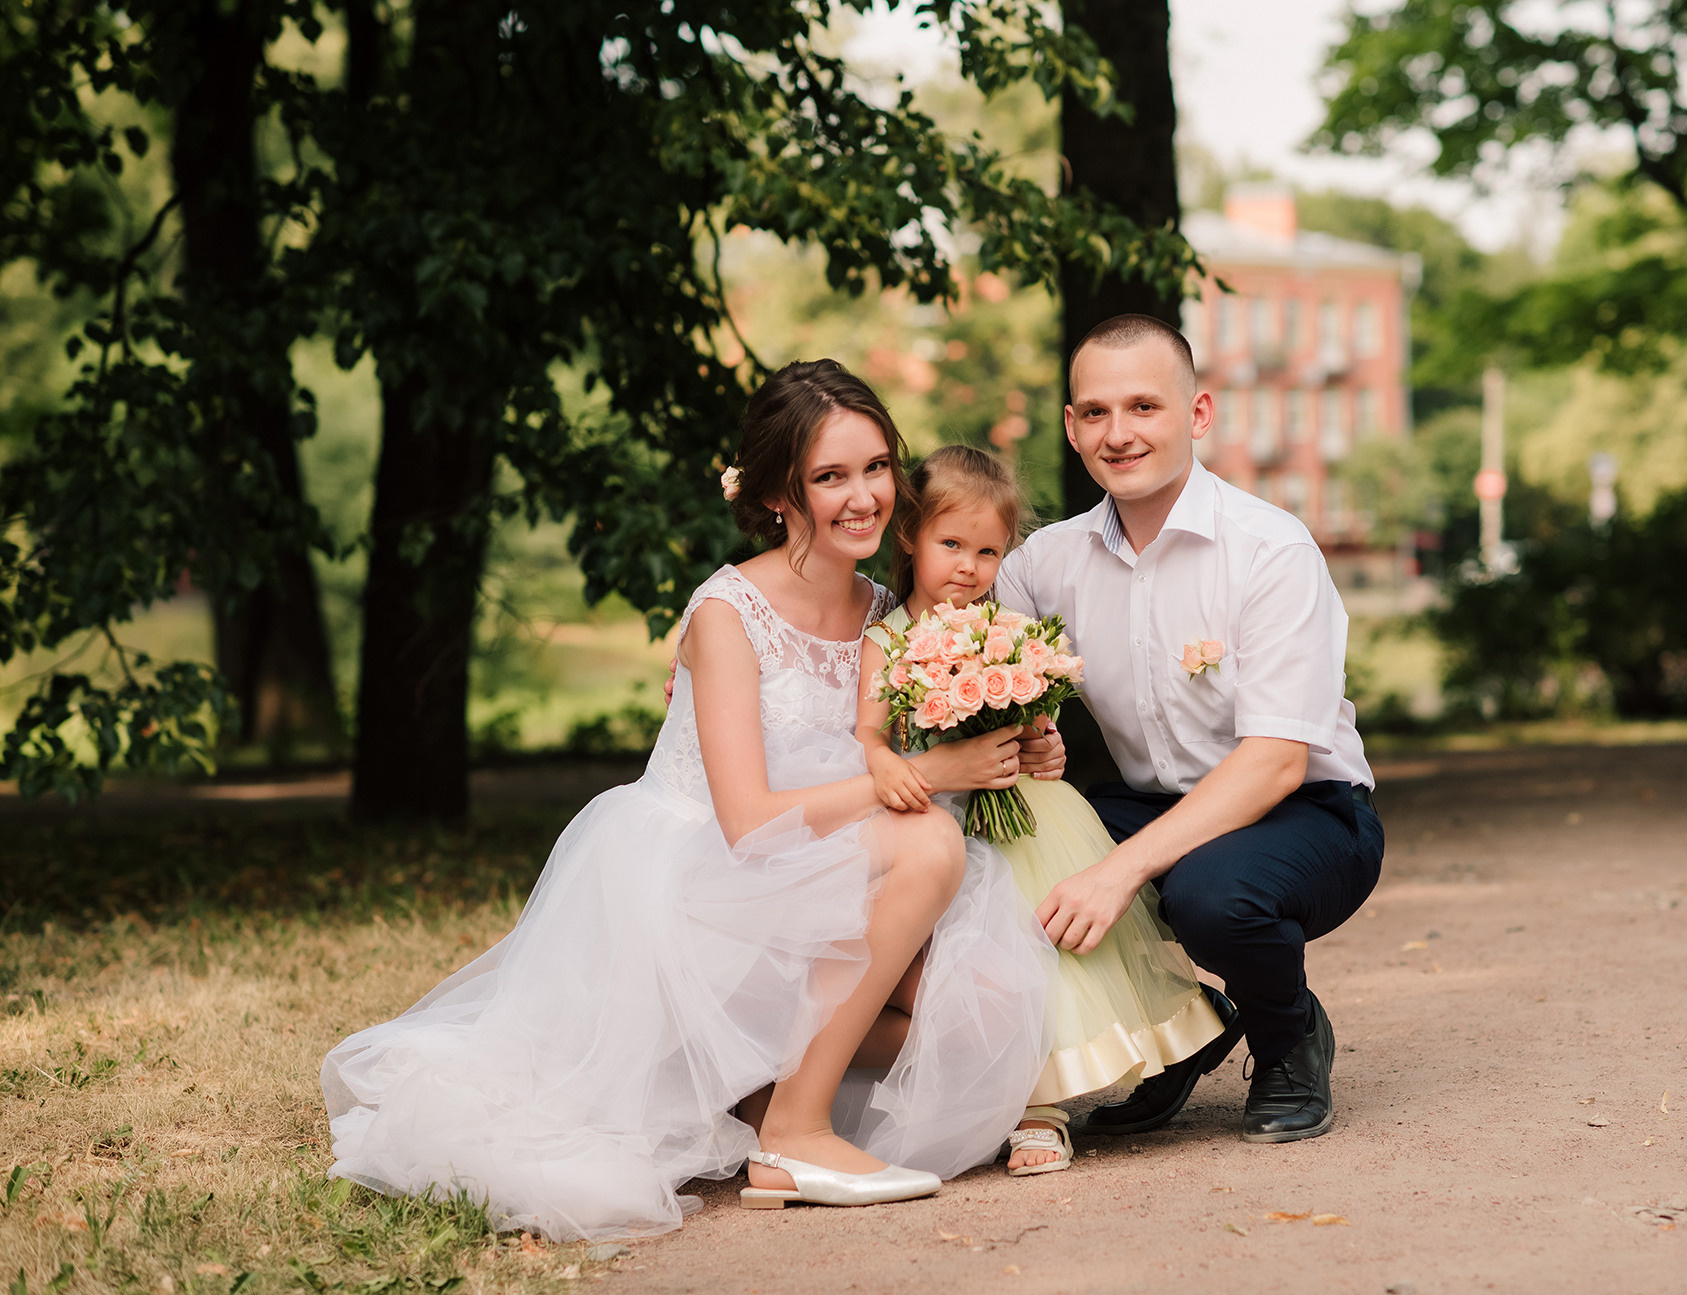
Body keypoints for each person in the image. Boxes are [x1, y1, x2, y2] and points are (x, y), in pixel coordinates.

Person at [321, 360, 1052, 1240]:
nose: (863, 496)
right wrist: (935, 776)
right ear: (780, 492)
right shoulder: (726, 612)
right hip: (705, 881)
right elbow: (748, 820)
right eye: (830, 477)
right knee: (930, 843)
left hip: (825, 873)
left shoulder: (890, 612)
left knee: (988, 1005)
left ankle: (754, 1085)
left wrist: (1019, 735)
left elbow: (923, 739)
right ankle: (794, 1132)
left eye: (875, 467)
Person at [995, 314, 1384, 1144]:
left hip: (1307, 813)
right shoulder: (1041, 565)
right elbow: (977, 670)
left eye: (1144, 406)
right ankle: (1178, 1028)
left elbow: (1278, 761)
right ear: (1070, 427)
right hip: (1153, 801)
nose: (1118, 432)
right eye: (1094, 412)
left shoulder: (1270, 550)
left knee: (1210, 894)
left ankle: (1289, 1036)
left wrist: (1118, 870)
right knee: (1012, 852)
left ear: (1198, 414)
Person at [854, 446, 1227, 1175]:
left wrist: (1043, 744)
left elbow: (1037, 723)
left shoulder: (1008, 629)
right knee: (978, 967)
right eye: (950, 543)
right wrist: (883, 761)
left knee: (1042, 948)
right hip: (934, 822)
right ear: (910, 536)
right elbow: (870, 732)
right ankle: (992, 1094)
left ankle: (1043, 1111)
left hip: (1022, 818)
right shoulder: (886, 639)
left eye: (988, 550)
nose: (968, 565)